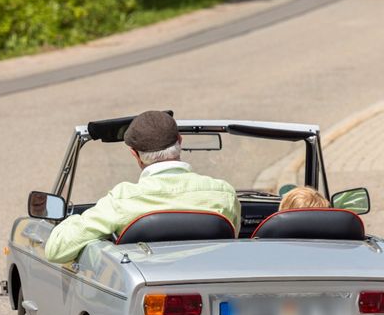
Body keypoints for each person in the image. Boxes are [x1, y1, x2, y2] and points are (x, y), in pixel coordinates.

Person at [45, 111, 241, 263]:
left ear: (135, 155)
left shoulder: (123, 199)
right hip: (211, 281)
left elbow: (56, 250)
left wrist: (73, 221)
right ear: (180, 141)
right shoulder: (223, 193)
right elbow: (232, 241)